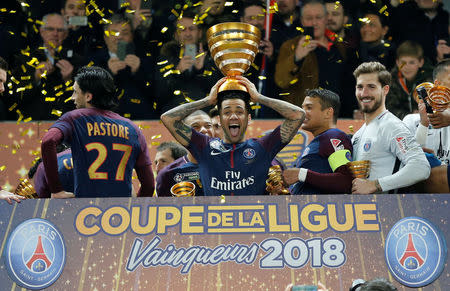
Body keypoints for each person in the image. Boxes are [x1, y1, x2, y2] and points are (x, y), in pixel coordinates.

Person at [161, 75, 305, 196]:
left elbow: (298, 115)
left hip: (253, 226)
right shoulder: (204, 146)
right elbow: (168, 118)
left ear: (248, 119)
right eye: (227, 112)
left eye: (240, 112)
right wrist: (207, 101)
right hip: (215, 227)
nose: (233, 116)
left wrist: (259, 97)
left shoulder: (262, 147)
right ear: (219, 119)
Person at [41, 66, 155, 198]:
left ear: (88, 96)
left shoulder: (74, 118)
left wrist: (56, 190)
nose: (72, 97)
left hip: (86, 212)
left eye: (75, 92)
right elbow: (149, 185)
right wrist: (134, 208)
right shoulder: (133, 128)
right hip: (122, 213)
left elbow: (48, 141)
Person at [351, 62, 430, 194]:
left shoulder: (392, 126)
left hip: (387, 211)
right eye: (360, 87)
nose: (364, 93)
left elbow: (421, 167)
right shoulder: (358, 134)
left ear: (385, 90)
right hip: (363, 211)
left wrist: (376, 185)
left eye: (371, 87)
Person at [275, 0, 349, 108]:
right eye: (309, 18)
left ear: (325, 19)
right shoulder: (290, 46)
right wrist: (297, 58)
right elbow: (281, 81)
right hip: (305, 116)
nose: (314, 23)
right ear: (302, 21)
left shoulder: (340, 46)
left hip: (338, 115)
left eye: (318, 17)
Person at [283, 88, 353, 194]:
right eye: (302, 108)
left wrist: (302, 174)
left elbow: (346, 181)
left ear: (328, 113)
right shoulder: (318, 141)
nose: (302, 113)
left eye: (309, 108)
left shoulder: (333, 136)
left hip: (321, 210)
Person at [90, 13, 157, 119]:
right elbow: (90, 95)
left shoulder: (144, 59)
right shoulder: (94, 60)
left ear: (131, 37)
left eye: (125, 33)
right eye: (114, 32)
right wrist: (109, 73)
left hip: (140, 120)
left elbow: (156, 94)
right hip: (105, 120)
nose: (119, 37)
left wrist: (138, 71)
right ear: (105, 38)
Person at [155, 10, 220, 113]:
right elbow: (159, 95)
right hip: (174, 119)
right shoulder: (165, 58)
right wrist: (177, 72)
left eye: (192, 29)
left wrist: (201, 71)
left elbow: (219, 94)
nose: (188, 33)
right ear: (176, 34)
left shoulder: (212, 56)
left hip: (205, 118)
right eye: (183, 29)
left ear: (199, 33)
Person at [404, 59, 450, 193]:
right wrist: (424, 124)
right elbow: (407, 165)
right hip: (420, 197)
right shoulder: (411, 121)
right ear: (437, 85)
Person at [156, 110, 214, 196]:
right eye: (195, 127)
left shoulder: (228, 164)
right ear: (182, 134)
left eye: (208, 126)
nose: (203, 130)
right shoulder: (168, 174)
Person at [386, 41, 433, 120]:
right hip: (400, 124)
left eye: (412, 62)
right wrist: (410, 116)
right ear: (397, 63)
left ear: (421, 62)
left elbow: (433, 108)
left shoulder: (429, 80)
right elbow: (389, 109)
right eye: (403, 63)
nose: (407, 67)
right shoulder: (390, 80)